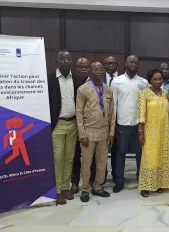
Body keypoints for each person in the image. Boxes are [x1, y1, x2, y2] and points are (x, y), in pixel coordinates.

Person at [76, 62, 115, 202]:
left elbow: (112, 113)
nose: (99, 71)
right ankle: (85, 188)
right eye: (95, 69)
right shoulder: (83, 89)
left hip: (104, 132)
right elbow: (79, 113)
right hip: (88, 131)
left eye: (101, 69)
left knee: (102, 162)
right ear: (90, 72)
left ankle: (98, 186)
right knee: (86, 162)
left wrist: (112, 132)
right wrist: (82, 134)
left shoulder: (109, 89)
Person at [47, 51, 83, 204]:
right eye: (63, 58)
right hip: (58, 124)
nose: (66, 61)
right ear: (57, 61)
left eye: (68, 58)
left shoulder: (77, 79)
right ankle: (57, 190)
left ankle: (65, 187)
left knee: (70, 157)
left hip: (73, 123)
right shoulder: (49, 79)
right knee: (57, 158)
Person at [111, 55, 150, 193]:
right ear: (126, 64)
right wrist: (113, 124)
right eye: (131, 62)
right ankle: (119, 180)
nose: (134, 64)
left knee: (140, 153)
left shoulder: (144, 82)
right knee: (120, 153)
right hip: (122, 123)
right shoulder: (117, 81)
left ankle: (141, 179)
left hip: (139, 124)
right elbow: (113, 104)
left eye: (136, 63)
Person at [137, 69, 169, 197]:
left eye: (160, 79)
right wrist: (141, 132)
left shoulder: (166, 93)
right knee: (149, 158)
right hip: (150, 131)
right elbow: (140, 114)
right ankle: (146, 186)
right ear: (150, 80)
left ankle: (158, 184)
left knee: (162, 157)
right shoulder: (144, 93)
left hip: (164, 131)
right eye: (155, 79)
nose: (158, 81)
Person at [71, 57, 94, 194]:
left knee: (92, 155)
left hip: (92, 125)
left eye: (86, 67)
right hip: (76, 123)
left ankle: (91, 180)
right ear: (76, 68)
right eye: (81, 66)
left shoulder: (96, 82)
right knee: (76, 155)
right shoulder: (72, 82)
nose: (84, 69)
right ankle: (74, 181)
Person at [103, 56, 119, 182]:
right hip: (101, 120)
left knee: (116, 150)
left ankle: (116, 175)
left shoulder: (122, 79)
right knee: (101, 150)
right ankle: (101, 175)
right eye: (107, 63)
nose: (110, 65)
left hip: (118, 120)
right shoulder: (97, 79)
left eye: (113, 63)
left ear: (117, 64)